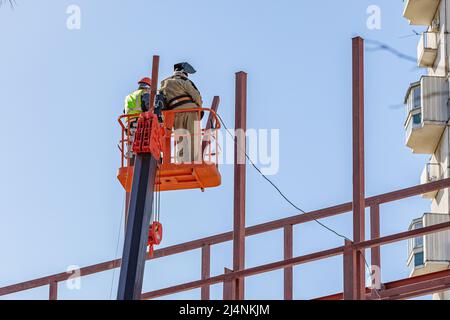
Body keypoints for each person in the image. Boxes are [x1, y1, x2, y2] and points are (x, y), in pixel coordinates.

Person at [159, 62, 203, 163]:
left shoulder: (164, 83)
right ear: (183, 72)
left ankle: (182, 162)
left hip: (175, 115)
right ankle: (193, 162)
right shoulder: (184, 81)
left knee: (181, 140)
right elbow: (196, 97)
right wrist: (199, 108)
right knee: (193, 138)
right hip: (190, 112)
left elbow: (162, 101)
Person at [123, 77, 152, 164]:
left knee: (131, 144)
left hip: (129, 123)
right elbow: (147, 107)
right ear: (148, 86)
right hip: (140, 123)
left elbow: (125, 110)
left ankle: (131, 163)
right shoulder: (145, 93)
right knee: (143, 143)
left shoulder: (129, 96)